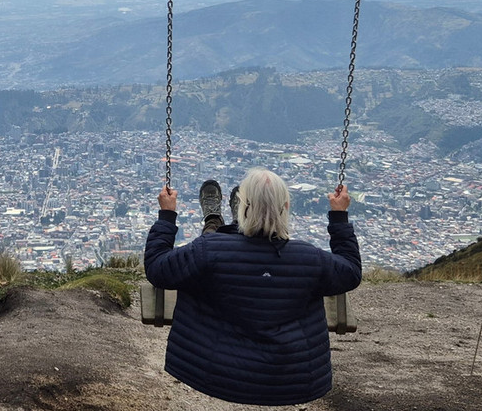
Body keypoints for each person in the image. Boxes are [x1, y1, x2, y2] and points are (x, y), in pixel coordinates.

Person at [143, 167, 362, 406]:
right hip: (289, 380)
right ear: (286, 208)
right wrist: (339, 216)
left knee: (216, 244)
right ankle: (232, 222)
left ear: (245, 205)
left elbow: (157, 267)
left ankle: (216, 221)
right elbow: (350, 271)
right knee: (219, 247)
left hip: (218, 373)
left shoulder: (209, 250)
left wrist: (167, 215)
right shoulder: (310, 258)